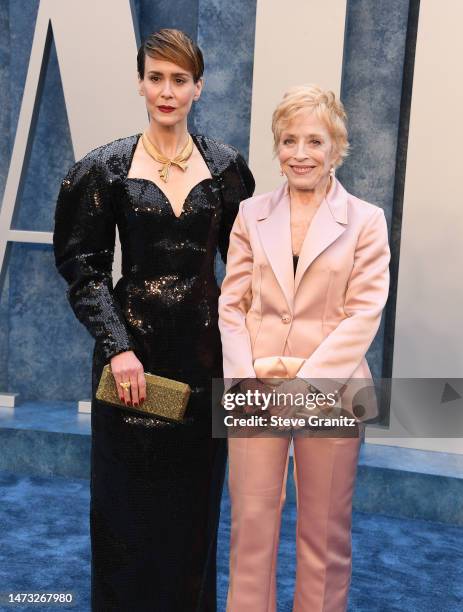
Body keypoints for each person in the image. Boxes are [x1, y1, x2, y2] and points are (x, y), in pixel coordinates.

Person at [53, 28, 254, 611]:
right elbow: (83, 268)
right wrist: (118, 347)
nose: (167, 91)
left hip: (204, 365)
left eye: (180, 80)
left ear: (199, 87)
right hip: (131, 368)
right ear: (141, 83)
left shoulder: (226, 168)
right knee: (125, 515)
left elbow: (249, 267)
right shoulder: (103, 169)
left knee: (193, 517)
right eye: (156, 78)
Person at [218, 85, 390, 611]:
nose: (300, 153)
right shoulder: (250, 214)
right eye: (289, 140)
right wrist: (245, 379)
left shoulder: (367, 220)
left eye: (314, 141)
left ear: (336, 147)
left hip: (334, 393)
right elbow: (232, 304)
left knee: (325, 533)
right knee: (250, 530)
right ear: (277, 146)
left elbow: (364, 312)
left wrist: (306, 386)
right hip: (255, 390)